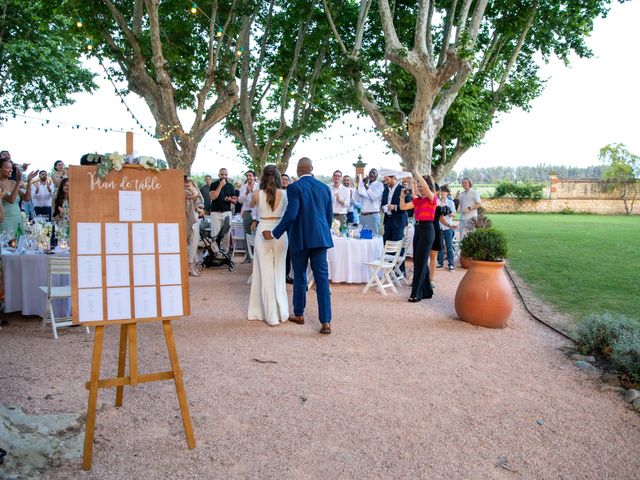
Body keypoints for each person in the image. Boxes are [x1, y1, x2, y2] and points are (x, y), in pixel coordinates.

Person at [266, 157, 334, 334]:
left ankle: (299, 314)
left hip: (301, 238)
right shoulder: (325, 188)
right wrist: (322, 232)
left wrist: (274, 233)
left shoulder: (295, 188)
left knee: (300, 276)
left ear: (298, 170)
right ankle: (326, 321)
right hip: (320, 239)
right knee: (321, 280)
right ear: (312, 168)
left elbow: (291, 215)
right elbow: (328, 217)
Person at [247, 165, 290, 326]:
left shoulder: (257, 194)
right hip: (280, 233)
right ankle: (282, 313)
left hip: (263, 231)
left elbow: (250, 206)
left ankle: (269, 315)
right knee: (279, 272)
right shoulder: (285, 194)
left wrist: (253, 189)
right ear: (279, 177)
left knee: (263, 273)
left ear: (263, 177)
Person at [400, 170, 436, 302]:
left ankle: (416, 293)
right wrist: (402, 196)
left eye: (422, 187)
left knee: (420, 262)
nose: (420, 189)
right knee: (418, 260)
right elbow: (403, 207)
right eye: (419, 187)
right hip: (418, 229)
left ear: (428, 187)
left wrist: (415, 172)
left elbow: (426, 187)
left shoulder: (432, 198)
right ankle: (427, 291)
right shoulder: (418, 200)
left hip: (428, 230)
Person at [0, 156, 37, 237]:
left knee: (19, 243)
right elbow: (11, 200)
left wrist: (29, 181)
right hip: (5, 220)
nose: (11, 170)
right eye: (7, 168)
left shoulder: (13, 182)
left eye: (11, 168)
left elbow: (26, 199)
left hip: (17, 218)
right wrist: (19, 181)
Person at [209, 168, 237, 256]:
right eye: (222, 174)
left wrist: (229, 199)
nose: (224, 176)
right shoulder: (214, 184)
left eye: (225, 174)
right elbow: (213, 197)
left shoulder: (230, 186)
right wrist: (220, 186)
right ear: (219, 175)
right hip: (215, 213)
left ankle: (224, 254)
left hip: (227, 213)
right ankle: (215, 254)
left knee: (226, 236)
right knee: (215, 234)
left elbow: (235, 201)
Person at [237, 170, 259, 263]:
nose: (249, 177)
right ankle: (248, 256)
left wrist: (252, 191)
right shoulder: (243, 187)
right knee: (247, 234)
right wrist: (246, 193)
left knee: (258, 234)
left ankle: (257, 256)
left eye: (250, 175)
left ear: (254, 177)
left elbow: (259, 198)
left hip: (257, 212)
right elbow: (240, 201)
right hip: (247, 212)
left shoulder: (258, 186)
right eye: (247, 176)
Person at [354, 168, 383, 234]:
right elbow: (356, 198)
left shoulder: (379, 185)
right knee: (362, 237)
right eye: (371, 173)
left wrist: (365, 185)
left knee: (374, 237)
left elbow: (373, 197)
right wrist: (359, 185)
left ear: (377, 175)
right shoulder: (364, 184)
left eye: (374, 173)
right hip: (362, 216)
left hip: (373, 215)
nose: (372, 174)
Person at [185, 177, 203, 276]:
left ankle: (191, 266)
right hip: (185, 219)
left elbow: (197, 203)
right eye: (185, 186)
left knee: (194, 243)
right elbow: (193, 194)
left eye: (189, 186)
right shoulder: (185, 193)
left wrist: (199, 209)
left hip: (194, 220)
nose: (187, 188)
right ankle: (187, 267)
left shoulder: (195, 192)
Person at [437, 185, 457, 271]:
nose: (442, 193)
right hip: (438, 226)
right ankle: (440, 263)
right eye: (441, 191)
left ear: (447, 193)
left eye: (444, 191)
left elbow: (454, 214)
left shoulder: (450, 202)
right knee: (440, 246)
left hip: (448, 227)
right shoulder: (437, 201)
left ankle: (451, 264)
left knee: (449, 246)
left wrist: (448, 212)